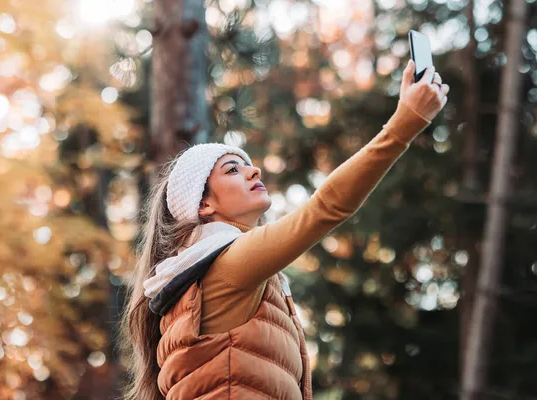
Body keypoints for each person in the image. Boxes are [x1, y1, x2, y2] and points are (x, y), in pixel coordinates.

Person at [120, 60, 449, 400]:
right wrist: (406, 122)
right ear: (203, 205)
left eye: (249, 164)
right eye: (232, 169)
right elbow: (327, 207)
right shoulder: (228, 266)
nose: (254, 171)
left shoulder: (216, 273)